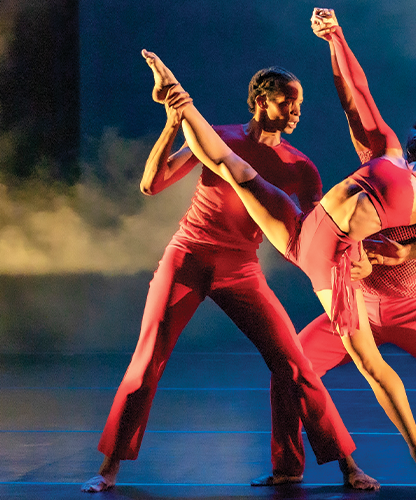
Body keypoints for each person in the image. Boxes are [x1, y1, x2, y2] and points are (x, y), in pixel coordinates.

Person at [139, 17, 416, 488]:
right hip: (346, 285)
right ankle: (287, 467)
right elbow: (356, 96)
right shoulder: (384, 154)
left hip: (412, 305)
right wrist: (335, 37)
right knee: (293, 369)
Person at [82, 66, 378, 492]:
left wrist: (358, 255)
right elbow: (151, 184)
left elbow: (320, 230)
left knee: (294, 364)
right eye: (286, 101)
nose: (296, 111)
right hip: (187, 257)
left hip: (241, 268)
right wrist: (172, 123)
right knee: (147, 359)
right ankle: (109, 468)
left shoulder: (300, 167)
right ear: (261, 100)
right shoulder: (216, 136)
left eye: (299, 103)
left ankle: (347, 466)